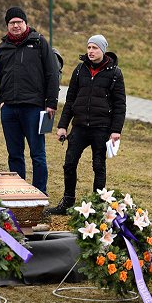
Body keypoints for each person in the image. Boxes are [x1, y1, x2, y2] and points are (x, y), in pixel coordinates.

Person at [47, 34, 127, 215]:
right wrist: (62, 125)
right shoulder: (79, 70)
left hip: (101, 128)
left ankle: (97, 205)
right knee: (69, 164)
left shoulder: (114, 73)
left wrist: (115, 130)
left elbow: (120, 104)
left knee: (98, 166)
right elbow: (70, 100)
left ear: (103, 50)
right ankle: (67, 201)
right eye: (89, 47)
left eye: (95, 48)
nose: (90, 51)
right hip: (79, 127)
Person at [0, 7, 60, 195]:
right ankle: (18, 194)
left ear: (25, 23)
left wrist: (51, 102)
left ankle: (39, 195)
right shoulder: (2, 47)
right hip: (9, 109)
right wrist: (0, 101)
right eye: (12, 23)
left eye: (18, 22)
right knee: (14, 154)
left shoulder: (39, 43)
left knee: (38, 154)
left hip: (34, 108)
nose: (15, 25)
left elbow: (52, 73)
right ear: (7, 26)